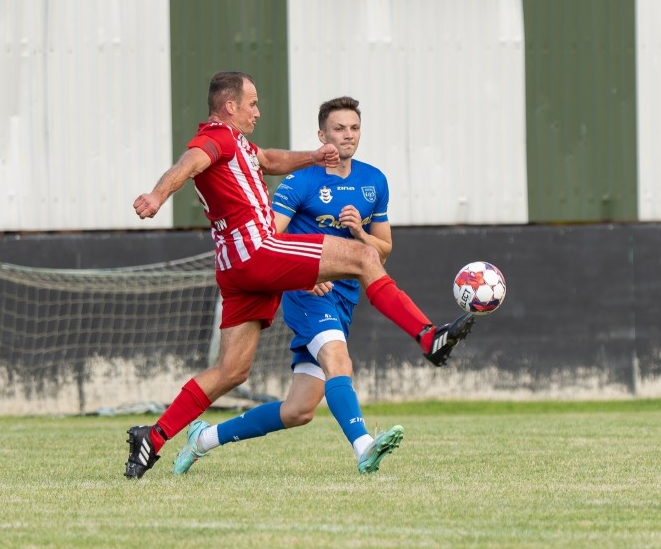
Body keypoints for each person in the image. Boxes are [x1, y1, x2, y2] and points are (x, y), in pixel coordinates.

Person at [124, 72, 476, 479]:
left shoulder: (238, 144)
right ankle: (428, 337)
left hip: (235, 267)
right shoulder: (216, 138)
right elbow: (189, 163)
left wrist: (314, 156)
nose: (257, 111)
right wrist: (157, 195)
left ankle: (154, 438)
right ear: (230, 106)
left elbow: (270, 161)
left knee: (233, 372)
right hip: (257, 251)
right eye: (252, 103)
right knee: (363, 256)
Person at [172, 96, 404, 476]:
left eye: (354, 128)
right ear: (322, 135)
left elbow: (384, 251)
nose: (348, 135)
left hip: (345, 297)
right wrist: (302, 275)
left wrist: (360, 233)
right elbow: (269, 239)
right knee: (339, 361)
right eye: (339, 128)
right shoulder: (300, 182)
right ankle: (364, 447)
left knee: (299, 410)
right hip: (308, 293)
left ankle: (204, 439)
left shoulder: (374, 180)